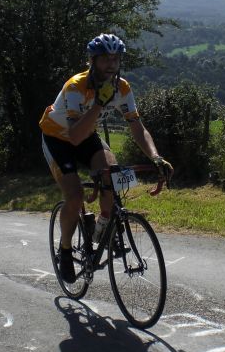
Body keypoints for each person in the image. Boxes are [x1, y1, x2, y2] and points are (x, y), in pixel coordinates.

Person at [39, 33, 173, 284]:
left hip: (86, 133)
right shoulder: (76, 87)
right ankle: (65, 250)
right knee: (75, 195)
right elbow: (75, 136)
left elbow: (136, 126)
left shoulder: (122, 88)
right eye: (104, 59)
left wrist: (156, 157)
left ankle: (102, 227)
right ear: (92, 61)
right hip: (59, 138)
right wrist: (99, 104)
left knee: (114, 174)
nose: (110, 64)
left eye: (115, 58)